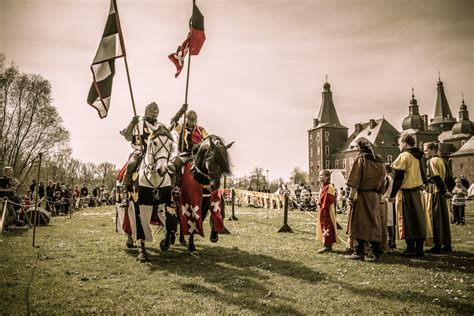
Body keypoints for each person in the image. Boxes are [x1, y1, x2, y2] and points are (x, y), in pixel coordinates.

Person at [346, 137, 386, 261]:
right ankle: (376, 253)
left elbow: (355, 180)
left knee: (359, 222)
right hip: (375, 196)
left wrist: (351, 198)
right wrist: (379, 195)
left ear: (359, 147)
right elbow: (383, 180)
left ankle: (359, 252)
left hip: (362, 195)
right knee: (374, 223)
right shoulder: (380, 161)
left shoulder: (361, 159)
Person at [390, 132, 429, 257]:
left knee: (408, 220)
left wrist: (392, 195)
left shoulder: (404, 156)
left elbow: (397, 178)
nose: (399, 146)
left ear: (405, 143)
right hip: (418, 192)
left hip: (407, 192)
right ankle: (419, 249)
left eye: (400, 143)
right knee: (419, 220)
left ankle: (411, 248)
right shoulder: (420, 156)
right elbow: (424, 174)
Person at [120, 101, 163, 192]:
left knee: (169, 167)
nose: (153, 114)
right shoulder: (138, 123)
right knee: (131, 164)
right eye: (152, 112)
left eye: (155, 112)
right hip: (139, 151)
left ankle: (171, 191)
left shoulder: (160, 126)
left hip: (155, 152)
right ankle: (125, 190)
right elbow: (127, 136)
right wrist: (132, 123)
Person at [169, 105, 209, 187]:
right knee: (176, 163)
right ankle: (177, 185)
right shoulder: (181, 127)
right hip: (184, 154)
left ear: (196, 120)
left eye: (193, 120)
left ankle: (208, 184)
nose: (191, 122)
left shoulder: (200, 130)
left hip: (196, 155)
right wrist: (181, 112)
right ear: (186, 118)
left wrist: (199, 145)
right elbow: (172, 122)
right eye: (189, 119)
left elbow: (208, 140)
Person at [423, 142, 452, 253]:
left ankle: (437, 245)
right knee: (444, 219)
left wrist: (444, 191)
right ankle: (447, 244)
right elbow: (449, 178)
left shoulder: (431, 161)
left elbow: (435, 177)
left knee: (435, 219)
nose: (425, 153)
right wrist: (448, 191)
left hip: (436, 192)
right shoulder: (443, 161)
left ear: (433, 150)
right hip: (443, 193)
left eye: (426, 150)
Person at [316, 169, 341, 253]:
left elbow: (329, 199)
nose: (319, 177)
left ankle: (328, 246)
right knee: (324, 226)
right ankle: (325, 244)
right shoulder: (323, 186)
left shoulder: (329, 187)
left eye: (321, 175)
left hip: (327, 210)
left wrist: (320, 202)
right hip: (323, 210)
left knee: (327, 227)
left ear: (327, 177)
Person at [0, 166, 23, 231]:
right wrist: (7, 190)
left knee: (13, 215)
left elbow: (13, 188)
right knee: (5, 214)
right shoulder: (1, 179)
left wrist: (14, 188)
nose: (12, 172)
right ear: (5, 172)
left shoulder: (11, 180)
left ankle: (4, 225)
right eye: (10, 171)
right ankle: (3, 228)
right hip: (3, 200)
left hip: (10, 199)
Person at [383, 163, 397, 251]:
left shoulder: (387, 178)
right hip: (389, 200)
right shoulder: (391, 178)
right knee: (390, 222)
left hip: (386, 200)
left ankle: (390, 241)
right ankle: (392, 241)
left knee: (388, 222)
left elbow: (384, 189)